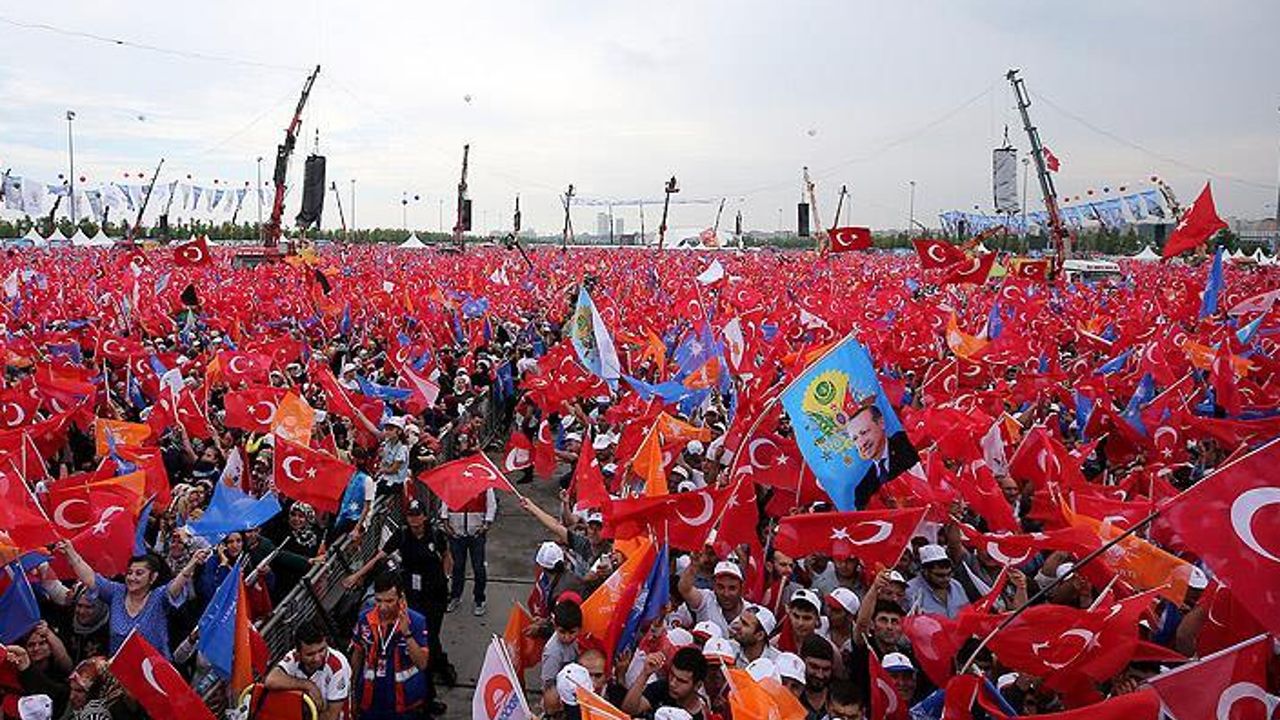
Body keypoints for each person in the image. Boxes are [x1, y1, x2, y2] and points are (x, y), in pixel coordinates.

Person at [344, 499, 454, 691]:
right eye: (410, 516)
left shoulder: (436, 534)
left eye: (417, 515)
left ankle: (440, 666)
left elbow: (446, 555)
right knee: (425, 635)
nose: (414, 520)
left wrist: (446, 576)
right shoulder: (402, 535)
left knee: (432, 635)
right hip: (412, 594)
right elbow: (380, 555)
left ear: (425, 517)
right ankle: (430, 683)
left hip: (435, 593)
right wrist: (357, 575)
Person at [58, 542, 208, 657]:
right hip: (120, 674)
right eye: (129, 573)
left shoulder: (159, 597)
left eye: (139, 573)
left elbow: (176, 585)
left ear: (153, 577)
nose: (132, 578)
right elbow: (90, 578)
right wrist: (71, 553)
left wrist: (192, 563)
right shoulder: (117, 592)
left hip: (153, 673)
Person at [349, 572, 431, 720]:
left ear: (401, 598)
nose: (383, 607)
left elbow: (422, 663)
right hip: (370, 701)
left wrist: (407, 633)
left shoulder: (416, 621)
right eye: (378, 601)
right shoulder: (365, 619)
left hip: (405, 703)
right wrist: (352, 693)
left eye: (389, 601)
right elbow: (357, 654)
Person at [265, 623, 352, 720]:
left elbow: (331, 716)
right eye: (310, 654)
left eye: (322, 650)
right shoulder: (293, 657)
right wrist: (308, 685)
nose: (317, 658)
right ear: (298, 653)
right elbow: (271, 680)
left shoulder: (338, 666)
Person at [848, 404, 919, 509]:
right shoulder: (862, 491)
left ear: (881, 423)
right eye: (855, 439)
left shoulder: (908, 444)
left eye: (864, 433)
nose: (861, 443)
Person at [442, 488, 496, 616]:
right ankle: (455, 596)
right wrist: (446, 524)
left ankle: (479, 599)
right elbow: (444, 504)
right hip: (456, 534)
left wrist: (486, 525)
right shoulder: (452, 484)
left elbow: (491, 505)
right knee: (457, 567)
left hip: (476, 534)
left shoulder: (484, 484)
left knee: (478, 568)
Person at [622, 646, 712, 720]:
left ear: (697, 685)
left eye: (681, 681)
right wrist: (645, 674)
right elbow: (629, 709)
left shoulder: (701, 716)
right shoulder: (662, 687)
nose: (673, 683)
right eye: (672, 675)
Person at [678, 560, 754, 637]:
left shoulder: (752, 612)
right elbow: (685, 589)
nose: (726, 594)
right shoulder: (706, 600)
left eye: (732, 588)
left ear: (742, 588)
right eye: (720, 587)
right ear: (713, 585)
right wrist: (693, 565)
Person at [904, 545, 970, 618]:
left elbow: (968, 613)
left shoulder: (956, 586)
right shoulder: (910, 591)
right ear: (925, 571)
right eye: (940, 575)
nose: (946, 579)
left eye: (949, 574)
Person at [540, 600, 582, 713]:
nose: (567, 637)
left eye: (572, 632)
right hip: (560, 700)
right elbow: (548, 683)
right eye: (562, 632)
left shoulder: (577, 641)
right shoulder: (553, 653)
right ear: (555, 626)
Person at [799, 635, 834, 720]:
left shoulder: (838, 696)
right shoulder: (793, 695)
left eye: (826, 669)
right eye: (814, 667)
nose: (820, 675)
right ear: (802, 662)